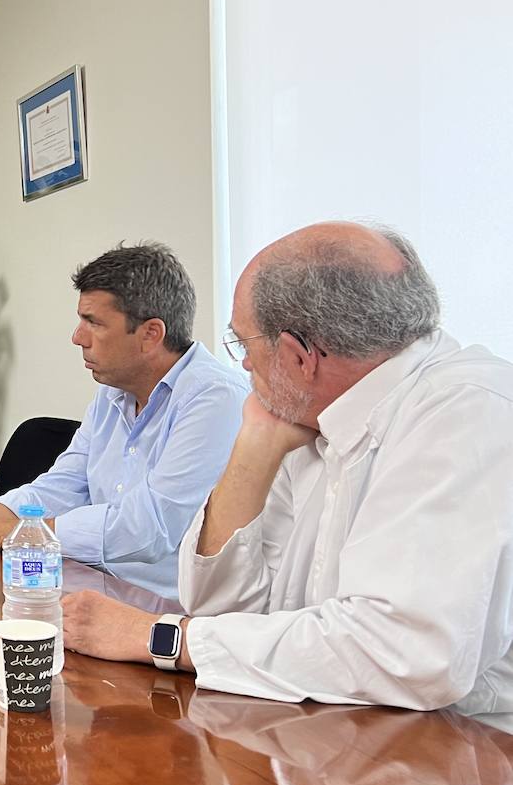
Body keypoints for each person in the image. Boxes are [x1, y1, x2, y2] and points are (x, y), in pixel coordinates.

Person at [62, 222, 513, 717]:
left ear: (300, 357)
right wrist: (253, 450)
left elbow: (402, 654)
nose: (244, 369)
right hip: (332, 723)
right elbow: (222, 608)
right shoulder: (305, 414)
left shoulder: (468, 412)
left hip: (469, 749)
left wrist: (157, 637)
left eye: (244, 347)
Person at [0, 243, 247, 599]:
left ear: (151, 334)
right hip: (92, 585)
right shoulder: (113, 391)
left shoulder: (215, 398)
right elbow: (62, 486)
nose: (77, 337)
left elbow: (148, 529)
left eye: (94, 322)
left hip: (166, 615)